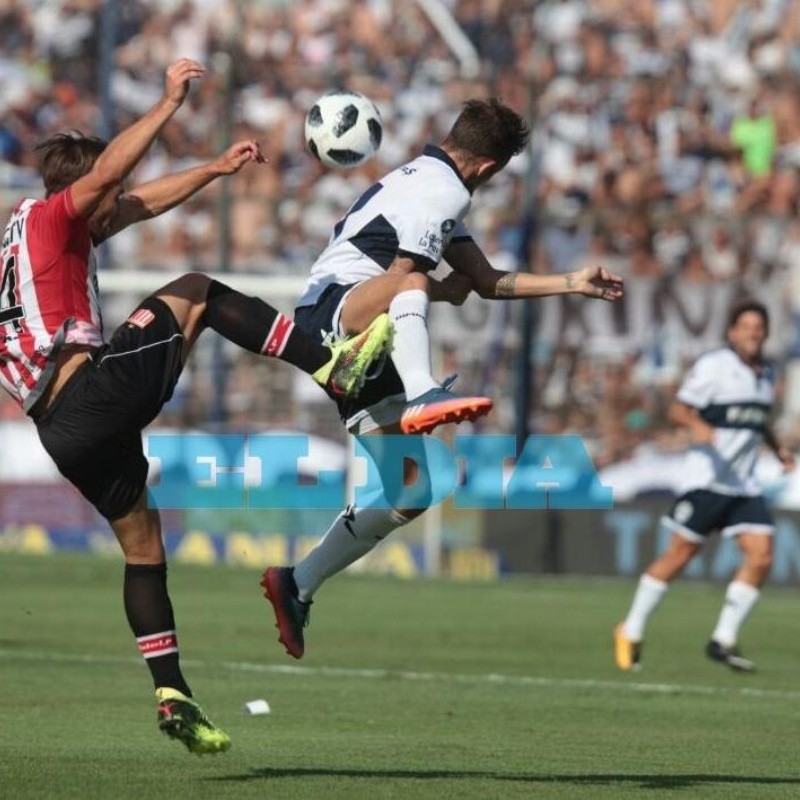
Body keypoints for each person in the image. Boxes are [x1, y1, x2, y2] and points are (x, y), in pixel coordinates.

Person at [0, 59, 392, 755]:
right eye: (104, 192)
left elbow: (139, 201)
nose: (116, 205)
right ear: (81, 189)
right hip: (88, 395)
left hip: (60, 430)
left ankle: (172, 691)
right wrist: (169, 102)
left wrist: (211, 169)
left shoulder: (35, 238)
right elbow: (114, 181)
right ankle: (330, 364)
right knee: (197, 289)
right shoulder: (53, 215)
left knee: (143, 548)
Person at [261, 98, 624, 659]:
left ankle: (297, 582)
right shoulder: (444, 191)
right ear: (490, 167)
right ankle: (422, 390)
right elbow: (407, 279)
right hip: (335, 311)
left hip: (364, 338)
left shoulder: (427, 183)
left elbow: (484, 281)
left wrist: (572, 281)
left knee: (413, 491)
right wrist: (434, 297)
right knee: (411, 284)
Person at [614, 301, 794, 673]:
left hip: (742, 484)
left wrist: (779, 451)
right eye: (746, 326)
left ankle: (722, 639)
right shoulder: (714, 367)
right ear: (731, 332)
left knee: (761, 555)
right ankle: (630, 628)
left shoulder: (765, 374)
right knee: (680, 556)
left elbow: (759, 422)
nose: (753, 332)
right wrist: (697, 427)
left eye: (759, 327)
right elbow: (679, 409)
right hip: (706, 480)